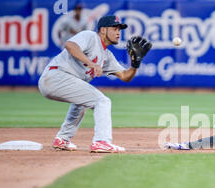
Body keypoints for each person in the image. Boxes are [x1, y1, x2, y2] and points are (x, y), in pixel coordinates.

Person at [38, 15, 152, 152]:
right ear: (103, 30)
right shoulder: (90, 37)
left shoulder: (107, 56)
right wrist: (91, 64)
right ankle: (101, 141)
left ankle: (62, 139)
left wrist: (135, 64)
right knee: (102, 101)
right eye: (114, 28)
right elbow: (70, 45)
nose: (118, 32)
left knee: (81, 103)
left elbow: (125, 76)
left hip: (61, 80)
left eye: (119, 29)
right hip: (56, 76)